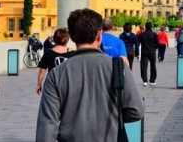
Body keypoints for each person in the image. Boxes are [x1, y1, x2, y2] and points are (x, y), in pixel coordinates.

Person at [36, 8, 144, 141]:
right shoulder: (119, 67)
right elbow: (136, 111)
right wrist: (113, 117)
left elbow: (47, 127)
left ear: (73, 36)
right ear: (99, 35)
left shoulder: (56, 74)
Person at [36, 28, 74, 95]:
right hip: (67, 83)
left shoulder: (48, 53)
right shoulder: (72, 54)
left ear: (54, 39)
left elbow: (42, 70)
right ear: (67, 39)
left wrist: (39, 84)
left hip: (52, 83)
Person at [138, 22, 159, 86]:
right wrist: (155, 47)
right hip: (152, 51)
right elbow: (158, 44)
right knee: (153, 66)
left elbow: (138, 42)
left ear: (145, 26)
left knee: (144, 66)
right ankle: (152, 80)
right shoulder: (154, 34)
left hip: (144, 51)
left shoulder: (142, 34)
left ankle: (145, 80)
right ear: (151, 27)